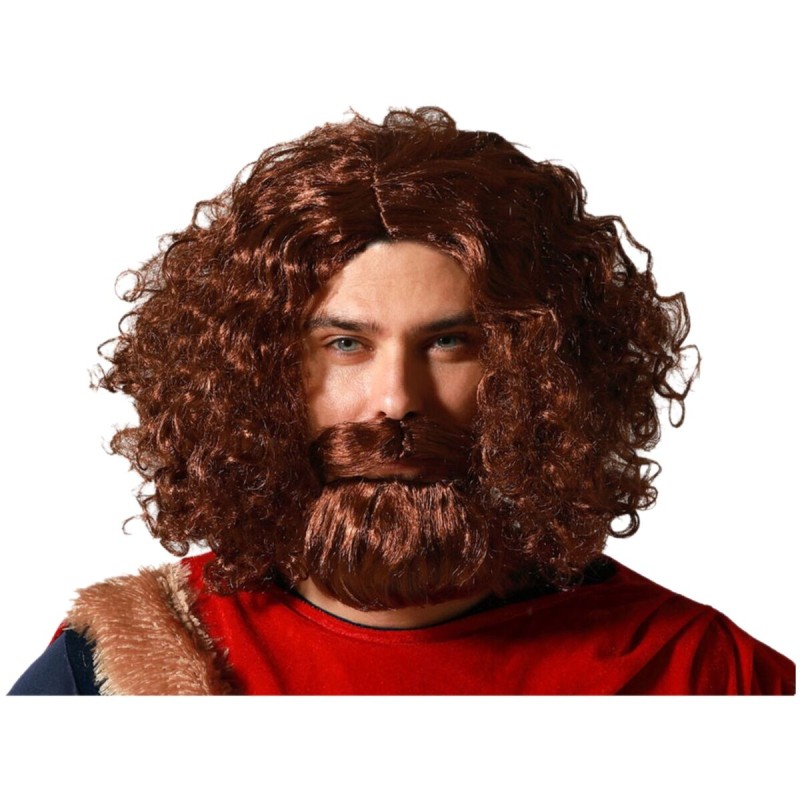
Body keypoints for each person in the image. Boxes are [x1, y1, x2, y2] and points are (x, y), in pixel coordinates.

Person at [8, 108, 794, 695]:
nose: (395, 401)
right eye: (346, 344)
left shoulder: (702, 675)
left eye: (450, 342)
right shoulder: (123, 669)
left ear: (541, 372)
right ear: (256, 377)